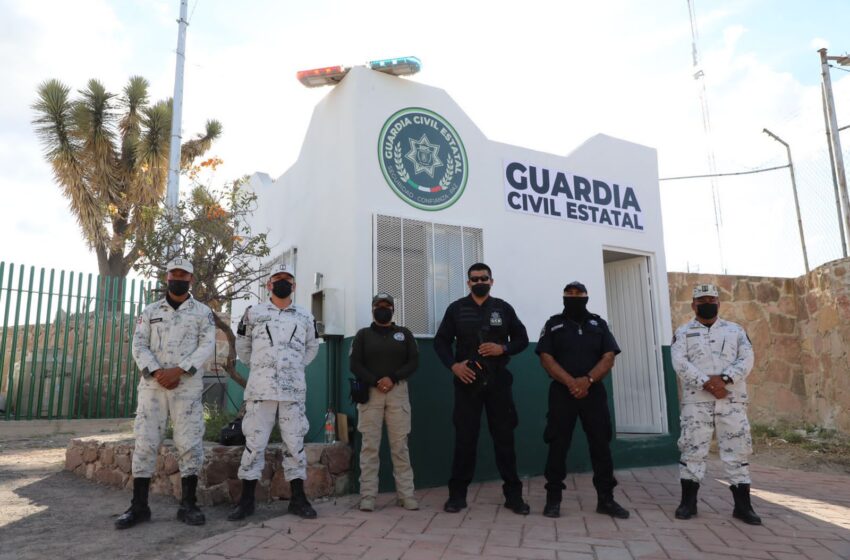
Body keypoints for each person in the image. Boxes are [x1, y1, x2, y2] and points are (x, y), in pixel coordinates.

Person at [118, 257, 216, 530]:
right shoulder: (150, 311)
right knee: (145, 442)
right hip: (153, 386)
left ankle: (189, 505)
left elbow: (207, 345)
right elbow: (139, 344)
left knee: (189, 442)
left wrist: (180, 370)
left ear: (191, 279)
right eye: (174, 273)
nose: (178, 277)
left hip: (187, 387)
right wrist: (157, 371)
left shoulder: (203, 313)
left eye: (184, 274)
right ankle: (139, 507)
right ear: (166, 277)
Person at [434, 263, 531, 515]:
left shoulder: (503, 309)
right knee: (465, 440)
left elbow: (521, 338)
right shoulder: (456, 309)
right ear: (468, 283)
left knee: (505, 440)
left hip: (498, 382)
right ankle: (457, 496)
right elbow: (441, 342)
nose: (479, 282)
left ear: (491, 281)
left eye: (484, 278)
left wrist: (503, 349)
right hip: (467, 383)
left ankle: (513, 497)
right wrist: (453, 366)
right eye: (474, 279)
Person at [228, 263, 320, 520]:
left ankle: (298, 500)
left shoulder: (305, 316)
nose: (282, 282)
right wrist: (261, 367)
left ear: (294, 285)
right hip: (261, 390)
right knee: (254, 445)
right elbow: (243, 347)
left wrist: (293, 366)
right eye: (277, 278)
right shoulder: (253, 313)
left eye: (287, 279)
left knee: (295, 445)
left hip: (292, 393)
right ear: (268, 285)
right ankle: (246, 502)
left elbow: (312, 348)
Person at [536, 281, 629, 519]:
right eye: (570, 293)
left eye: (579, 293)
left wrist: (586, 381)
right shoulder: (553, 324)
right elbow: (546, 357)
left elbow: (609, 356)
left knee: (601, 446)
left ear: (587, 296)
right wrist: (571, 383)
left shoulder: (599, 323)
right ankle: (553, 500)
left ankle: (606, 500)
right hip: (561, 393)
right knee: (557, 446)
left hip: (593, 394)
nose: (574, 297)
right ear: (563, 296)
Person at [671, 283, 761, 525]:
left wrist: (724, 380)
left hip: (731, 400)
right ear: (693, 305)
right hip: (696, 402)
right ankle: (688, 503)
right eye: (702, 301)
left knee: (737, 451)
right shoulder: (683, 332)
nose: (707, 304)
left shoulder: (736, 330)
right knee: (693, 450)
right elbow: (679, 362)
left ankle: (743, 507)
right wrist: (707, 383)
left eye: (711, 299)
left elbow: (747, 358)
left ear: (719, 303)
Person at [349, 293, 419, 512]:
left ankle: (406, 495)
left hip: (398, 392)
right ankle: (368, 496)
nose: (383, 308)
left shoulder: (404, 334)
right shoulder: (362, 335)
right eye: (379, 305)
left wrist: (393, 378)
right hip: (371, 394)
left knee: (400, 447)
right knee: (369, 447)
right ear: (372, 309)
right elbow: (355, 364)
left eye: (387, 305)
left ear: (393, 309)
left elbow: (414, 361)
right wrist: (375, 381)